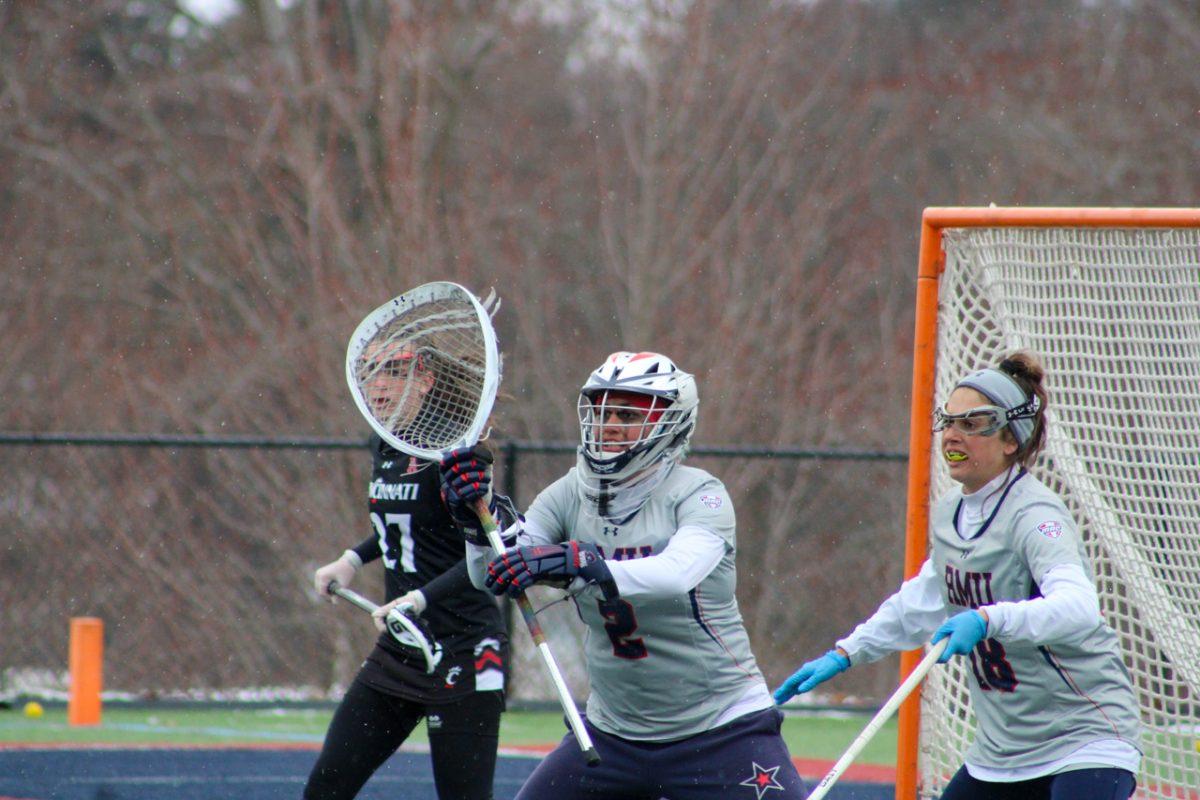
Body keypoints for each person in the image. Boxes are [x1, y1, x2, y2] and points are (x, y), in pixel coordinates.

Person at [440, 351, 808, 800]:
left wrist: (580, 563)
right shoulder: (567, 494)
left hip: (719, 729)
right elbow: (494, 574)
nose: (609, 423)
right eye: (602, 410)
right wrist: (476, 521)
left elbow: (676, 574)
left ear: (672, 423)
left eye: (628, 413)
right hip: (610, 736)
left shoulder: (701, 494)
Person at [773, 351, 1141, 800]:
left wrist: (987, 620)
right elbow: (921, 602)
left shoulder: (1036, 516)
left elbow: (1079, 608)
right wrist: (846, 653)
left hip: (1085, 738)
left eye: (973, 424)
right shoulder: (951, 513)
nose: (952, 434)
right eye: (948, 421)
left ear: (1010, 439)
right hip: (1002, 751)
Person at [304, 340, 517, 800]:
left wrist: (418, 599)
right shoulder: (384, 443)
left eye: (395, 373)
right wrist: (352, 559)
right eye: (373, 372)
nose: (378, 385)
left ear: (425, 382)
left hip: (465, 649)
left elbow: (484, 556)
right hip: (401, 649)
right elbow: (402, 524)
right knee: (326, 789)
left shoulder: (458, 454)